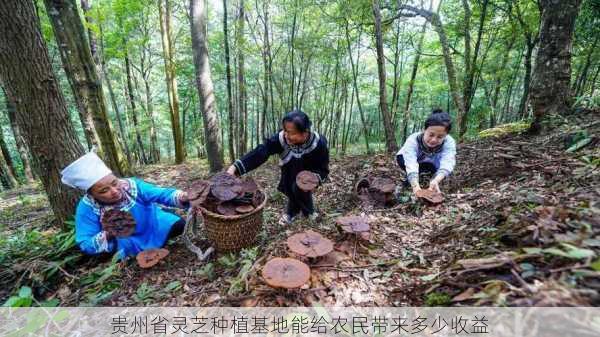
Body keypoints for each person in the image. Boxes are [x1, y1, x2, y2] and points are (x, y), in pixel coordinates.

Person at [60, 152, 189, 259]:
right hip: (125, 240)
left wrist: (183, 196)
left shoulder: (133, 186)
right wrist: (109, 233)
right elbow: (84, 242)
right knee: (105, 253)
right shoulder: (86, 207)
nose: (115, 191)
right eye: (104, 191)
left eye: (114, 183)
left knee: (179, 224)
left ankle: (156, 238)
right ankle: (137, 253)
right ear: (92, 194)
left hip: (151, 224)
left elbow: (160, 194)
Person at [226, 109, 329, 225]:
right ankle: (292, 212)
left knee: (301, 187)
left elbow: (323, 168)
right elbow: (261, 152)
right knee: (291, 188)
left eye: (291, 133)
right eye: (285, 130)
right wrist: (235, 168)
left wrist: (315, 180)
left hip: (310, 174)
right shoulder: (281, 139)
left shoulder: (319, 143)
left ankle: (308, 212)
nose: (286, 135)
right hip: (289, 172)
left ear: (305, 133)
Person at [396, 108, 456, 195]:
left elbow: (448, 161)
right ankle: (410, 181)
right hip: (405, 158)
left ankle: (429, 182)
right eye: (431, 135)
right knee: (412, 170)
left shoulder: (449, 142)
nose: (434, 140)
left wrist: (436, 180)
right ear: (424, 130)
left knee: (431, 171)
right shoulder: (413, 139)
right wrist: (415, 185)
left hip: (431, 162)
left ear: (446, 135)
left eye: (440, 137)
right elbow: (410, 161)